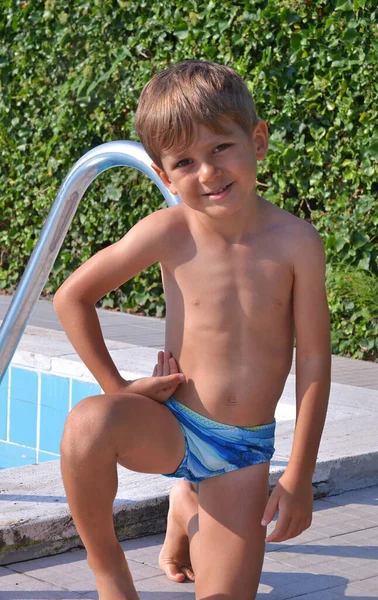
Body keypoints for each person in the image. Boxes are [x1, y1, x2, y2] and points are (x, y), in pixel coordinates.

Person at [54, 59, 331, 600]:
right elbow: (72, 298)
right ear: (163, 175)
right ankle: (108, 570)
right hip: (172, 426)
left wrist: (298, 478)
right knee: (87, 426)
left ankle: (186, 506)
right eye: (185, 161)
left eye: (221, 148)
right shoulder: (169, 231)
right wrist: (120, 390)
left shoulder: (297, 243)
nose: (207, 172)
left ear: (257, 140)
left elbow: (315, 363)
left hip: (241, 453)